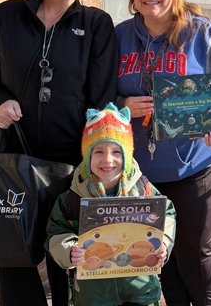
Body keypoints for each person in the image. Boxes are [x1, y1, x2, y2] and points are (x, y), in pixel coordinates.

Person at [0, 0, 118, 305]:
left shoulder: (97, 24)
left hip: (69, 165)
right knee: (13, 254)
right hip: (12, 157)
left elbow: (101, 101)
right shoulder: (7, 14)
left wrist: (98, 160)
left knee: (67, 256)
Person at [116, 0, 211, 306]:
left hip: (196, 164)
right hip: (141, 171)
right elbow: (98, 95)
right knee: (160, 251)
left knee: (195, 251)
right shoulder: (119, 36)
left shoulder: (201, 32)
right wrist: (122, 102)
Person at [46, 103, 176, 306]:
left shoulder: (143, 189)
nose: (108, 160)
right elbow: (55, 232)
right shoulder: (72, 197)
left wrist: (164, 244)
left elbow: (167, 213)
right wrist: (70, 251)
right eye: (98, 151)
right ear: (87, 155)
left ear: (127, 154)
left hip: (140, 290)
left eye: (117, 151)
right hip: (93, 294)